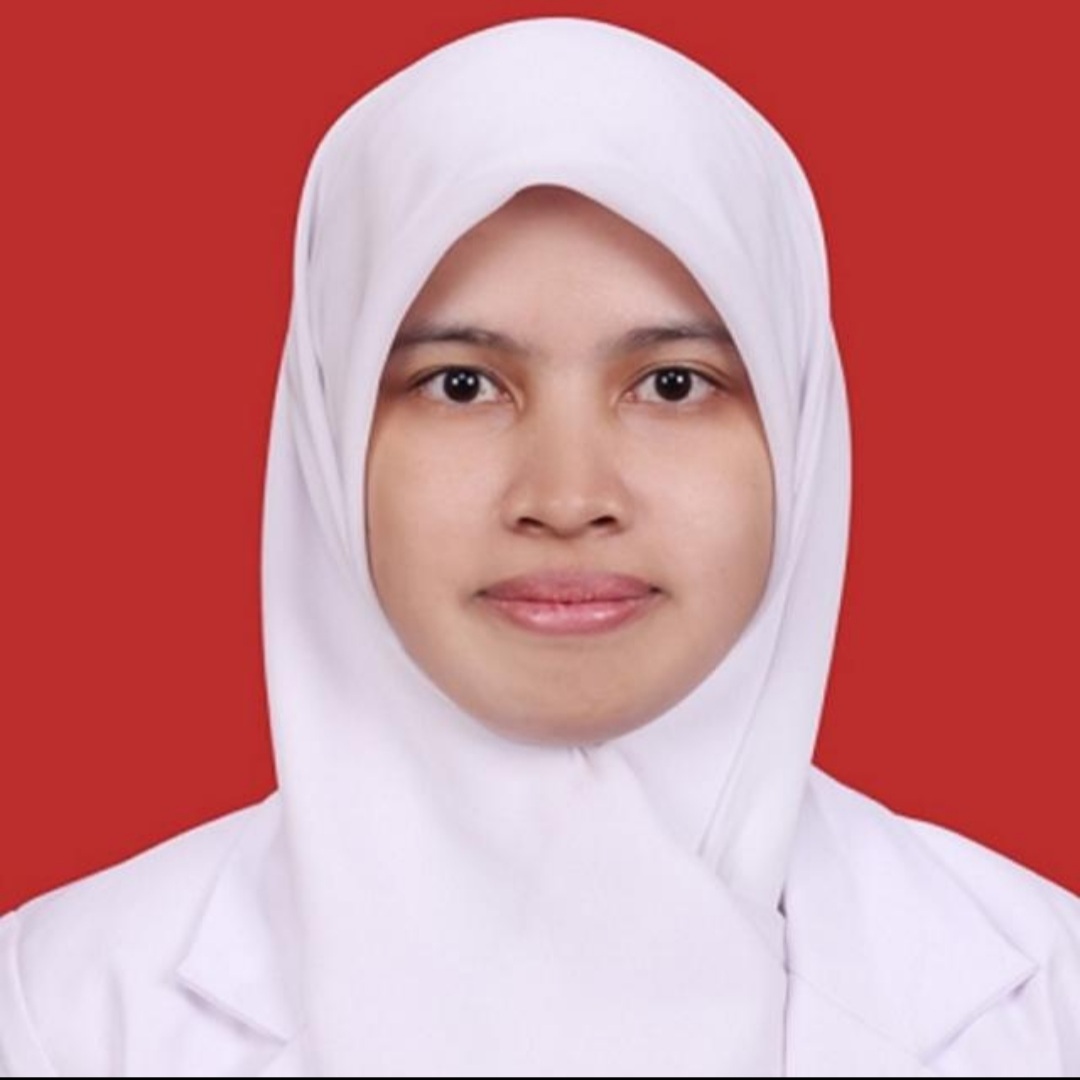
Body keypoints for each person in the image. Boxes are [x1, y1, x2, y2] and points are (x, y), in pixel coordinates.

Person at [1, 15, 1077, 1077]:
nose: (567, 497)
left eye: (673, 384)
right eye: (461, 384)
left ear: (798, 429)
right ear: (331, 437)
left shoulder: (1054, 1004)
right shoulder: (54, 1012)